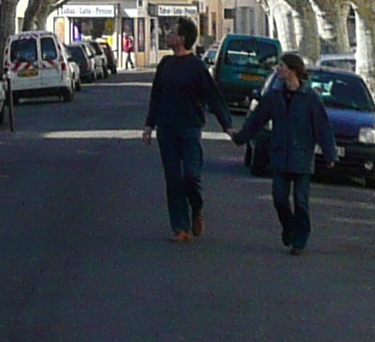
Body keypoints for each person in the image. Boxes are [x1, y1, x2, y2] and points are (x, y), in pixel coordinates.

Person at [141, 19, 236, 242]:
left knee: (191, 176)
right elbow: (156, 96)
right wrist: (149, 125)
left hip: (190, 128)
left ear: (182, 39)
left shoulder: (196, 66)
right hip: (167, 129)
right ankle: (180, 228)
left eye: (172, 32)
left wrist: (228, 125)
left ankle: (197, 209)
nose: (168, 34)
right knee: (173, 179)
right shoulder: (165, 64)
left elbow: (213, 97)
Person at [236, 54, 334, 255]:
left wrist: (330, 153)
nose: (277, 69)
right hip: (280, 155)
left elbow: (323, 127)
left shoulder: (310, 98)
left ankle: (300, 240)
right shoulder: (273, 96)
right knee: (279, 199)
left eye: (281, 66)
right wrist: (241, 137)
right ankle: (289, 227)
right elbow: (257, 119)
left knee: (301, 201)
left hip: (302, 156)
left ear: (292, 70)